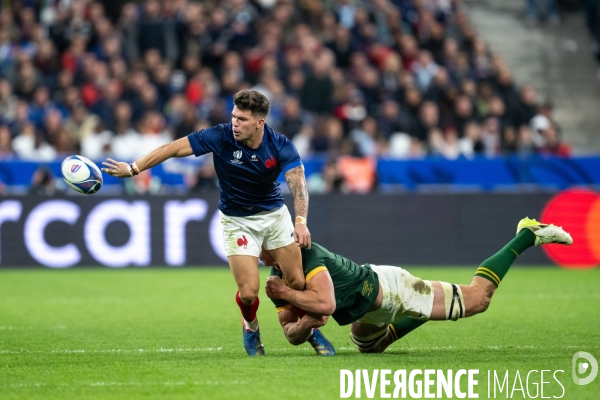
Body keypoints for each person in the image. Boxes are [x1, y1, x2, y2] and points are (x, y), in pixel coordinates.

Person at [102, 89, 311, 356]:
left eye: (243, 119)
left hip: (273, 216)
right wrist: (133, 168)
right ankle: (250, 325)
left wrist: (301, 221)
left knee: (297, 283)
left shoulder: (281, 145)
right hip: (237, 220)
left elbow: (299, 186)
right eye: (234, 116)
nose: (235, 123)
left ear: (260, 123)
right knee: (248, 293)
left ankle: (307, 328)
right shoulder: (220, 136)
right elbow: (173, 148)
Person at [262, 217, 572, 355]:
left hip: (394, 289)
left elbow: (326, 307)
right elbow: (291, 333)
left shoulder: (307, 255)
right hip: (368, 311)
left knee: (479, 299)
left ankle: (528, 234)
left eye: (258, 247)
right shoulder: (279, 273)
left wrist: (289, 296)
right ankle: (424, 311)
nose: (255, 255)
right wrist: (306, 323)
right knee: (370, 346)